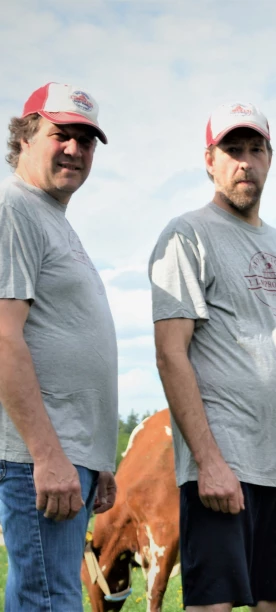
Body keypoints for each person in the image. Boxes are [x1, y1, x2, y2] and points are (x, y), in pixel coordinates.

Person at [149, 102, 276, 611]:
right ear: (209, 160)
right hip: (229, 464)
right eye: (232, 151)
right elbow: (171, 354)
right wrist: (209, 462)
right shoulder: (188, 234)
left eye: (256, 150)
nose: (245, 163)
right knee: (213, 604)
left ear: (270, 159)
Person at [0, 82, 118, 611]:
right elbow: (3, 336)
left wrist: (99, 458)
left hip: (70, 457)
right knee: (50, 601)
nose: (74, 149)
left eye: (86, 140)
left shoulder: (53, 221)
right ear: (25, 137)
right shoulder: (13, 209)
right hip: (40, 459)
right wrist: (47, 455)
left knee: (54, 595)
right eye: (60, 135)